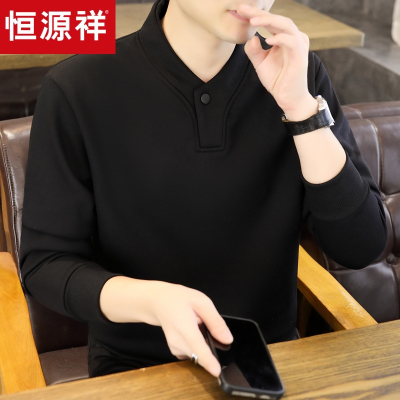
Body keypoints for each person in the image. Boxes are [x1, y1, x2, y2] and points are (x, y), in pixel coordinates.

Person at [19, 0, 387, 379]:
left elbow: (361, 246)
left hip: (272, 360)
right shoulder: (79, 85)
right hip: (134, 367)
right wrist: (152, 300)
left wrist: (301, 112)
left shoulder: (296, 72)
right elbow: (46, 263)